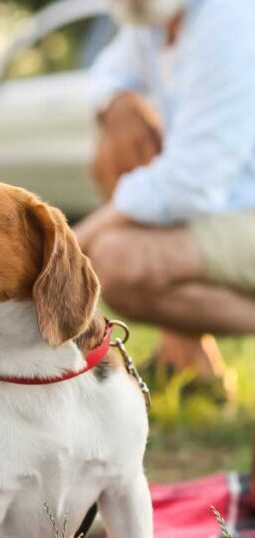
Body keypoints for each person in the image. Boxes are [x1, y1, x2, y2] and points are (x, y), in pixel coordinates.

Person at [77, 0, 255, 403]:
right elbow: (106, 72)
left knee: (117, 260)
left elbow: (189, 181)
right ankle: (189, 362)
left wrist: (64, 248)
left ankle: (188, 363)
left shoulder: (232, 20)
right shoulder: (154, 19)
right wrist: (117, 103)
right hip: (225, 207)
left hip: (236, 206)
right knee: (117, 145)